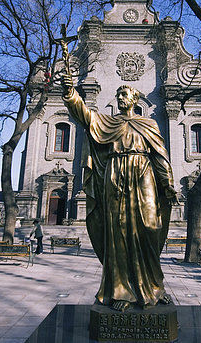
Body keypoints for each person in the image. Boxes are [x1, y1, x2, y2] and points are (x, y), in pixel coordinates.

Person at [62, 75, 178, 312]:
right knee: (118, 231)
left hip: (143, 174)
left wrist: (167, 183)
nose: (120, 98)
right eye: (118, 95)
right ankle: (120, 290)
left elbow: (159, 156)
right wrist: (71, 93)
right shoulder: (108, 122)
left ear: (135, 99)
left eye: (124, 94)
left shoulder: (150, 125)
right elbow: (85, 116)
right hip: (115, 176)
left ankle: (154, 287)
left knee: (149, 227)